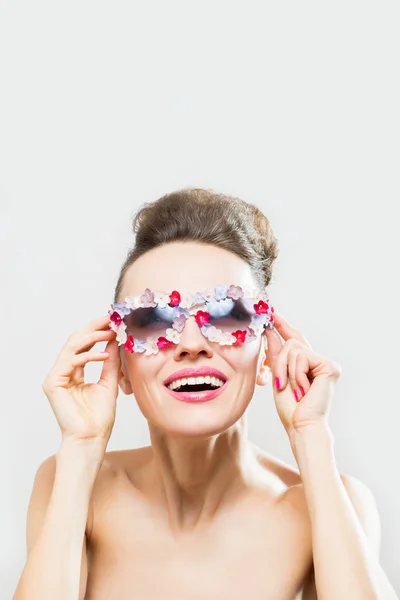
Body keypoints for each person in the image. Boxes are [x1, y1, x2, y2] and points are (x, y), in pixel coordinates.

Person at [13, 188, 397, 599]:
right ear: (121, 364)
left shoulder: (330, 502)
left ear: (266, 355)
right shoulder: (70, 482)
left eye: (228, 313)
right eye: (152, 318)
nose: (191, 343)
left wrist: (312, 436)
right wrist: (81, 445)